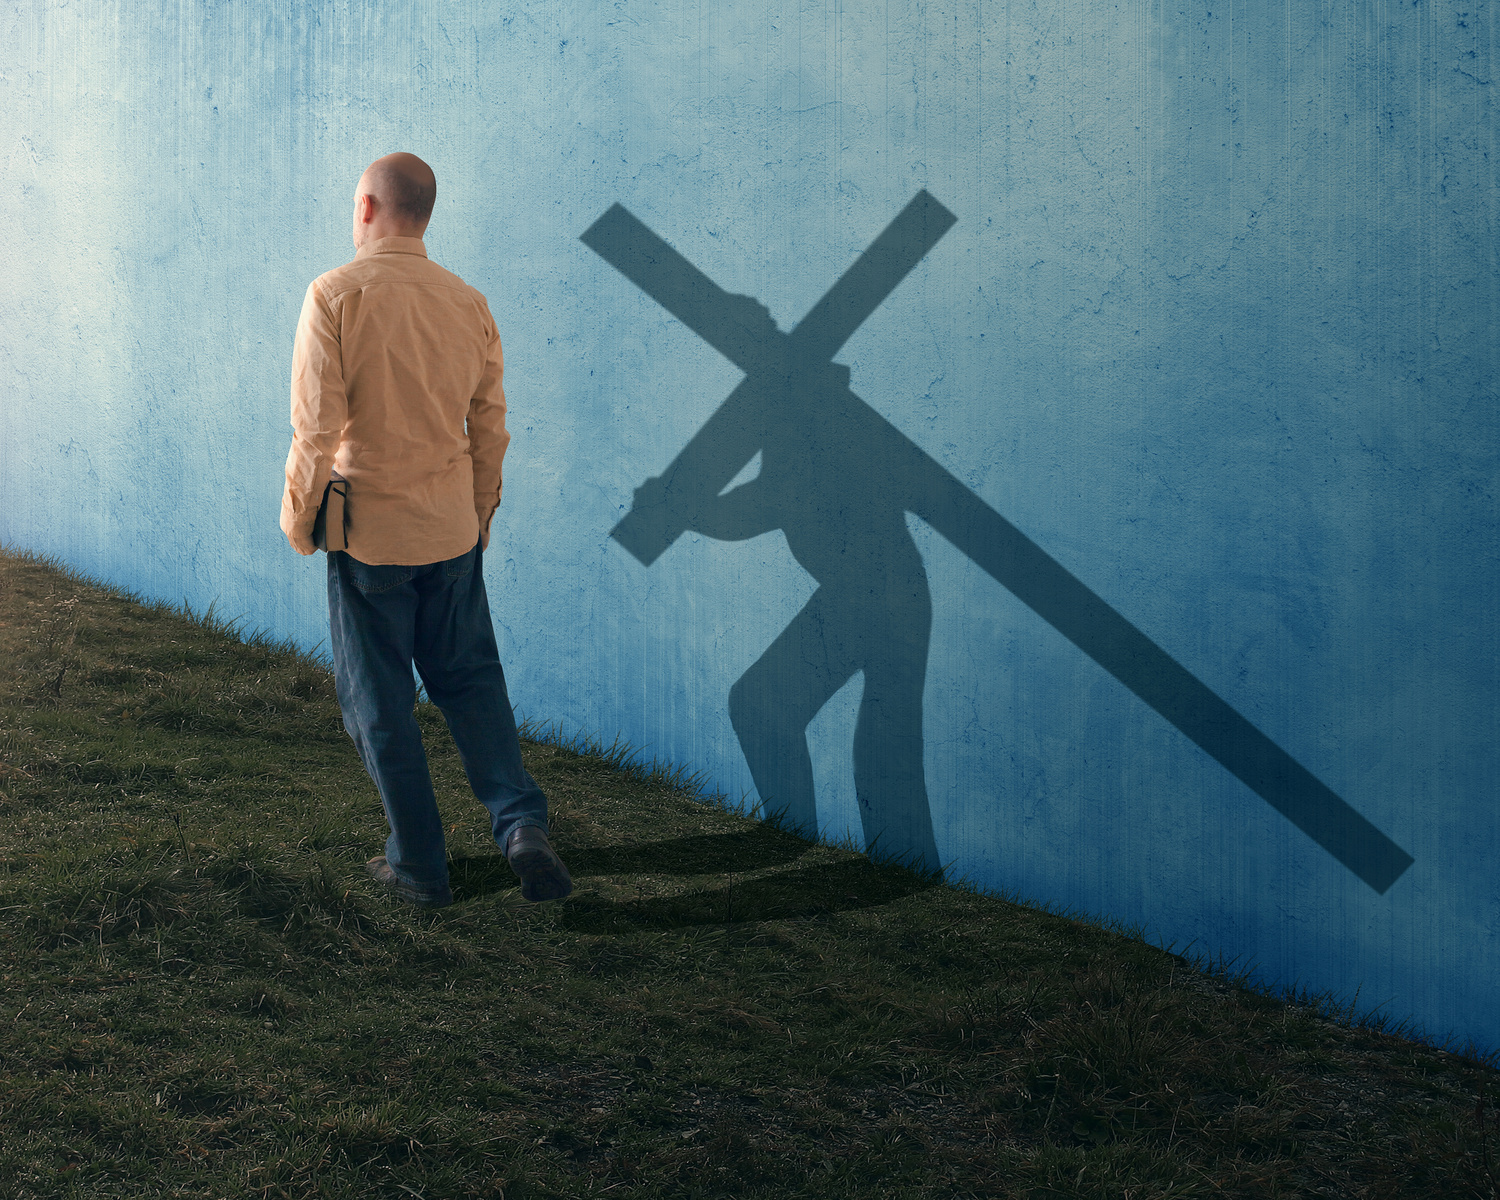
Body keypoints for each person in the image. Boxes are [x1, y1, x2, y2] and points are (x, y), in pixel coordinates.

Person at [279, 151, 571, 909]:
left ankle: (419, 866)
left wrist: (299, 523)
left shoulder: (334, 294)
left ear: (368, 208)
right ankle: (519, 826)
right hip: (450, 532)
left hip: (368, 535)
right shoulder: (467, 301)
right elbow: (491, 426)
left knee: (379, 704)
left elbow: (316, 431)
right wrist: (477, 516)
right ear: (425, 213)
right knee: (473, 683)